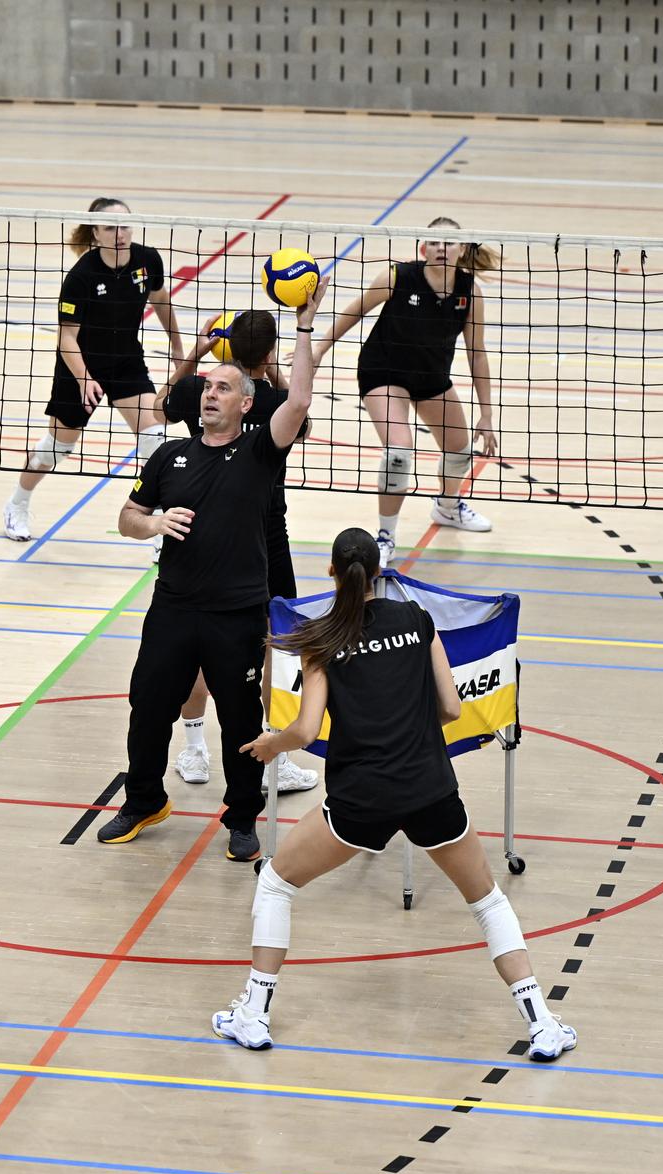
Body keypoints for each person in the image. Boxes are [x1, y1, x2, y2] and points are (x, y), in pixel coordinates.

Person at [212, 527, 575, 1062]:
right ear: (379, 574)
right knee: (487, 901)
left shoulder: (319, 640)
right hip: (430, 788)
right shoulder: (417, 621)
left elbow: (307, 731)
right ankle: (542, 1024)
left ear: (332, 573)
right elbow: (451, 709)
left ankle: (253, 1016)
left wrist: (273, 744)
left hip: (362, 799)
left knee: (276, 883)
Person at [98, 287, 323, 863]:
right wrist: (150, 524)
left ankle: (242, 818)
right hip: (172, 607)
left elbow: (296, 401)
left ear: (247, 404)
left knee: (242, 720)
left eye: (223, 387)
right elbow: (126, 516)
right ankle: (144, 798)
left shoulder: (258, 452)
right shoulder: (169, 455)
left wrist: (304, 326)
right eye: (207, 387)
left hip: (236, 612)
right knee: (148, 706)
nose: (209, 394)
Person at [159, 309, 320, 797]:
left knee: (196, 647)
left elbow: (165, 403)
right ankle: (276, 757)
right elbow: (302, 417)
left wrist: (199, 352)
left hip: (198, 528)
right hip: (266, 537)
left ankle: (193, 749)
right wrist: (268, 367)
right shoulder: (271, 402)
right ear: (270, 353)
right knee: (276, 645)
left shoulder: (199, 394)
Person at [309, 217, 498, 568]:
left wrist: (486, 414)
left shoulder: (470, 292)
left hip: (431, 376)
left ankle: (447, 508)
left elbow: (477, 353)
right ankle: (386, 536)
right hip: (383, 371)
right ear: (423, 248)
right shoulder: (398, 277)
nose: (442, 248)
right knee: (398, 452)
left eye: (450, 243)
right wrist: (320, 348)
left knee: (459, 452)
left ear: (462, 249)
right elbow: (355, 310)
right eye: (435, 242)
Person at [3, 197, 184, 542]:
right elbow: (67, 338)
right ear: (95, 233)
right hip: (79, 368)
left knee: (155, 442)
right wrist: (85, 378)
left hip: (127, 361)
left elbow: (160, 299)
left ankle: (160, 527)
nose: (120, 234)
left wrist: (176, 345)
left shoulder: (147, 260)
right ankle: (17, 502)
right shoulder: (81, 277)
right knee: (56, 449)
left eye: (125, 225)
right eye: (109, 228)